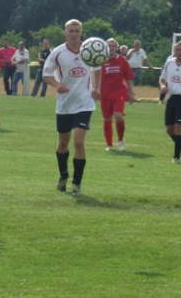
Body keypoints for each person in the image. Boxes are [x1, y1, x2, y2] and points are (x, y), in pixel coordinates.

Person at [42, 19, 101, 195]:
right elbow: (46, 75)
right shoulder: (58, 53)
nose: (74, 33)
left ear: (81, 32)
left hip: (85, 103)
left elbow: (97, 69)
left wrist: (96, 88)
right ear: (65, 32)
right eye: (71, 30)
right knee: (63, 142)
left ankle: (77, 183)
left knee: (79, 142)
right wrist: (57, 85)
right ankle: (63, 175)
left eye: (77, 30)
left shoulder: (90, 50)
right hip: (65, 104)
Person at [100, 38, 135, 151]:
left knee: (118, 115)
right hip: (104, 93)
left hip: (119, 92)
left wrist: (131, 92)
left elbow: (129, 78)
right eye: (109, 46)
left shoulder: (122, 60)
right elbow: (95, 76)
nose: (111, 48)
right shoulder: (100, 60)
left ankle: (120, 140)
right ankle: (109, 145)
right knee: (107, 118)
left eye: (113, 46)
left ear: (117, 48)